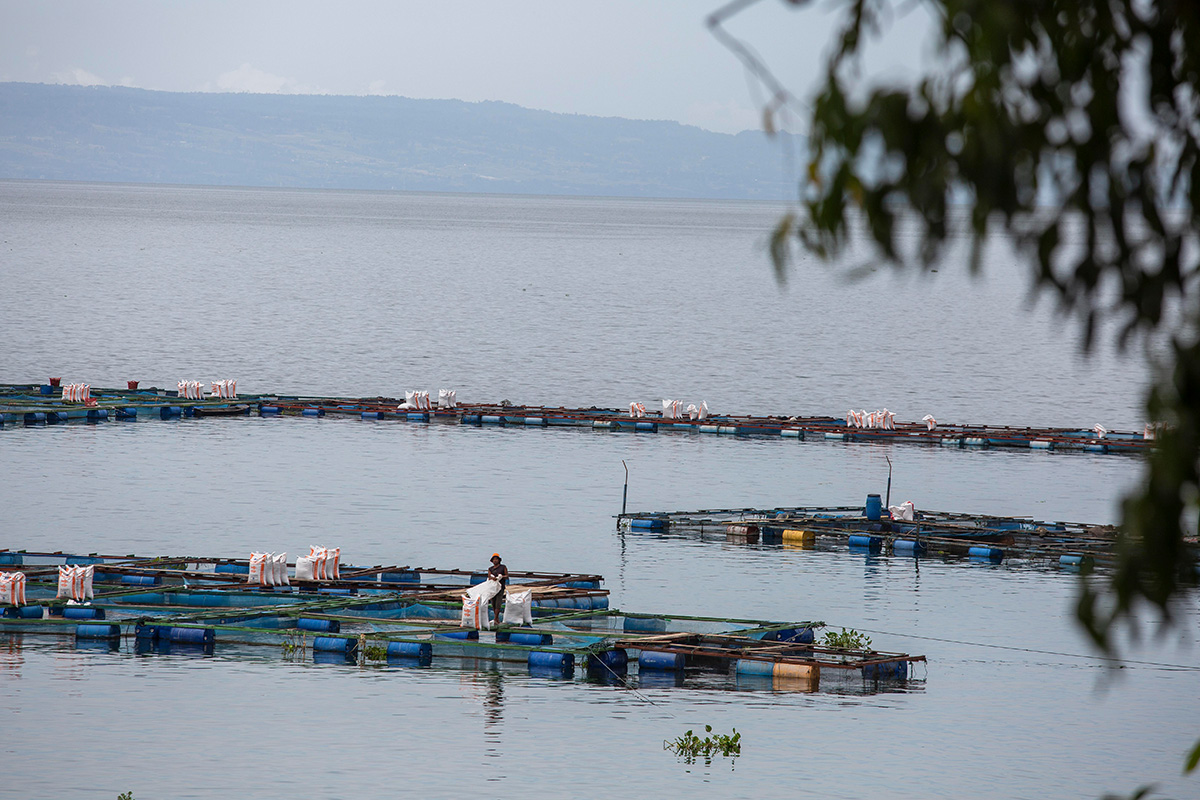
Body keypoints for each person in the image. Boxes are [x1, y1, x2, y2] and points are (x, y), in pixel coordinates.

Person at [487, 553, 508, 624]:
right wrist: (492, 578)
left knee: (498, 603)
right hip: (493, 588)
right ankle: (497, 618)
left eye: (496, 559)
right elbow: (489, 577)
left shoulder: (503, 567)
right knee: (493, 603)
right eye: (494, 560)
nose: (495, 561)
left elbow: (507, 576)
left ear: (499, 560)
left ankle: (495, 618)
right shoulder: (490, 569)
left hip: (500, 588)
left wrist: (501, 577)